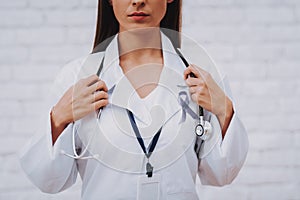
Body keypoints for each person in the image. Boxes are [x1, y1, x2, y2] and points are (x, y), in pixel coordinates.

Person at [19, 0, 249, 199]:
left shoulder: (202, 76)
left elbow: (221, 174)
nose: (138, 1)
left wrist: (224, 109)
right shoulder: (76, 76)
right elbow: (47, 180)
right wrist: (59, 118)